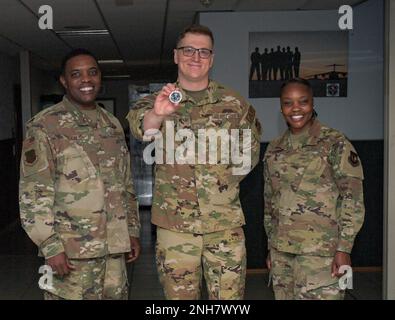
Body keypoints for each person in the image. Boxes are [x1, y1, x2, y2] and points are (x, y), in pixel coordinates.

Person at [127, 24, 261, 300]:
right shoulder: (155, 102)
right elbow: (143, 130)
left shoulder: (234, 104)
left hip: (224, 225)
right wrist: (158, 114)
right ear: (176, 56)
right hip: (175, 227)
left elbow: (249, 154)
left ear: (211, 59)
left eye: (203, 52)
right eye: (188, 50)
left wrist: (220, 184)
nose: (195, 57)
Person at [19, 48, 141, 300]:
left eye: (92, 73)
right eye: (76, 74)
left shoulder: (112, 124)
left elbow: (125, 183)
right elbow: (34, 192)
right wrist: (50, 246)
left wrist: (132, 230)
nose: (86, 80)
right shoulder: (45, 126)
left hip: (113, 251)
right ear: (64, 81)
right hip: (71, 252)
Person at [263, 78, 364, 300]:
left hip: (321, 256)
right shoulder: (274, 148)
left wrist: (344, 248)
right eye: (288, 103)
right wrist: (272, 247)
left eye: (303, 101)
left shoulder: (335, 143)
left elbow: (352, 198)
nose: (295, 108)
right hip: (282, 255)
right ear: (281, 107)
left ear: (312, 103)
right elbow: (270, 203)